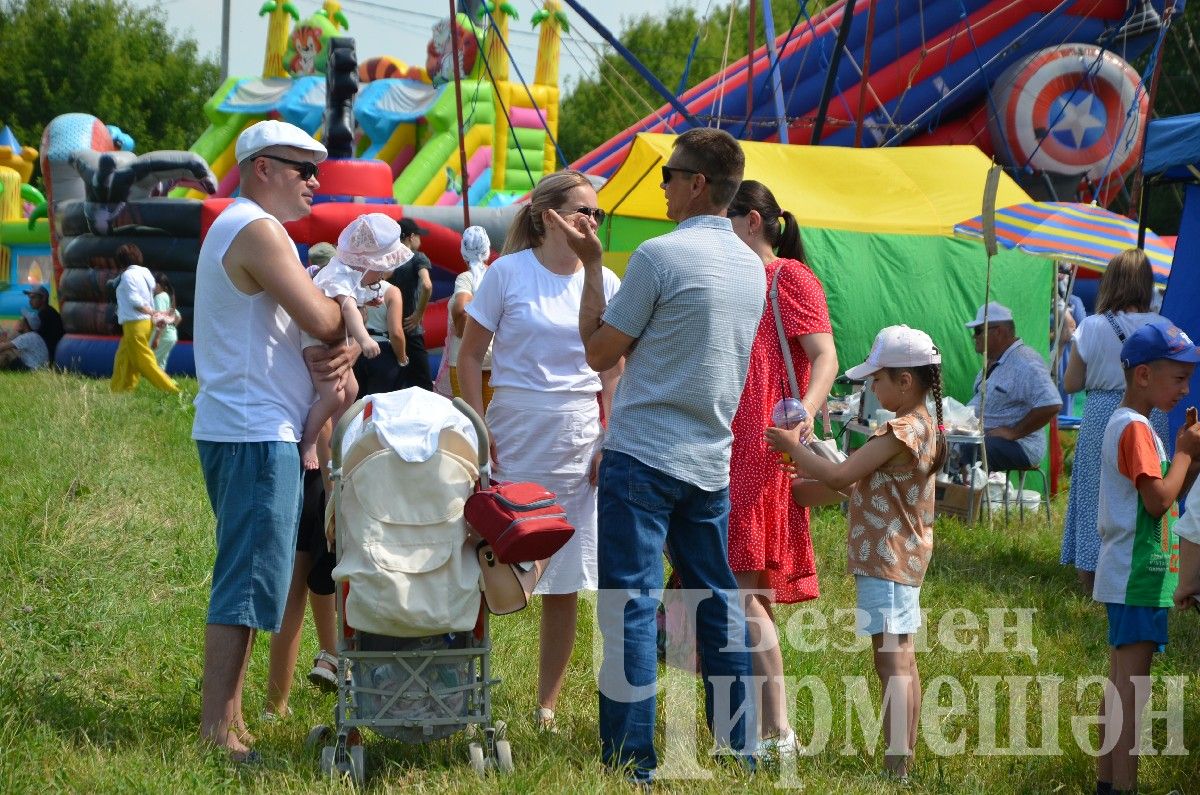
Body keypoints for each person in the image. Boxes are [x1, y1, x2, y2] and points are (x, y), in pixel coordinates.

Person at [569, 127, 761, 782]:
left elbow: (598, 351)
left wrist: (593, 264)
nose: (664, 185)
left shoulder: (657, 256)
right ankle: (741, 747)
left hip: (644, 456)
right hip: (710, 460)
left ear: (698, 183)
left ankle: (631, 758)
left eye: (669, 175)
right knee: (716, 606)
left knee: (631, 606)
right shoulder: (752, 266)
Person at [192, 119, 356, 763]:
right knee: (244, 583)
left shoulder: (247, 227)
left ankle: (231, 719)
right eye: (302, 168)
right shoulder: (255, 229)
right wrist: (346, 311)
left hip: (251, 428)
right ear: (262, 167)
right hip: (255, 431)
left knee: (258, 580)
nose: (316, 181)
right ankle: (216, 731)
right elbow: (318, 318)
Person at [457, 171, 621, 732]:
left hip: (579, 436)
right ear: (546, 214)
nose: (591, 222)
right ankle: (465, 688)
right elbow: (469, 355)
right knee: (484, 560)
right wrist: (478, 425)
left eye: (597, 214)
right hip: (513, 432)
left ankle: (545, 706)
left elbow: (614, 368)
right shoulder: (507, 273)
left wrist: (609, 435)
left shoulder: (607, 280)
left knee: (566, 578)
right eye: (582, 211)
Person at [767, 325, 945, 782]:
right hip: (903, 558)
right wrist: (800, 487)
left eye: (877, 379)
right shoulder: (926, 425)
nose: (871, 387)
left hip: (886, 559)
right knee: (903, 656)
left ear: (905, 381)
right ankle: (901, 762)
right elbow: (857, 485)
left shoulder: (900, 430)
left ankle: (895, 766)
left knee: (891, 661)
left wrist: (793, 448)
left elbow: (843, 475)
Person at [724, 179, 837, 756]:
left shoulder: (787, 277)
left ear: (750, 222)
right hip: (723, 449)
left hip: (760, 449)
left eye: (726, 223)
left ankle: (778, 729)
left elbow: (825, 357)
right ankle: (749, 727)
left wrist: (800, 420)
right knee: (735, 593)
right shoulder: (734, 280)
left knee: (745, 593)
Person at [1090, 318, 1200, 794]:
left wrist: (1187, 461)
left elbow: (1168, 497)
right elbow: (1158, 501)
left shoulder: (1136, 427)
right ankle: (1125, 788)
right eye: (1178, 377)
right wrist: (1183, 454)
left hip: (1131, 574)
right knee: (1132, 693)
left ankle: (1106, 783)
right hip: (1137, 576)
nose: (1185, 388)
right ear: (1143, 376)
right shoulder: (1135, 430)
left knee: (1119, 687)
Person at [1061, 250, 1162, 592]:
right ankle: (1152, 565)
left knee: (1095, 493)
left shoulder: (1092, 325)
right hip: (1151, 413)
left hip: (1104, 412)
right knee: (1147, 489)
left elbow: (1071, 383)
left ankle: (1090, 576)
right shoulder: (1163, 326)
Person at [298, 213, 411, 471]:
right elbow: (348, 307)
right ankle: (310, 441)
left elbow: (354, 299)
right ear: (366, 262)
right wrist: (364, 339)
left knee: (351, 389)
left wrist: (367, 299)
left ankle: (339, 436)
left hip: (331, 341)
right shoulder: (338, 273)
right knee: (332, 396)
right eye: (380, 271)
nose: (382, 276)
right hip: (316, 342)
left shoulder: (351, 273)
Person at [965, 301, 1061, 471]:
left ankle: (965, 496)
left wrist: (1014, 432)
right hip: (988, 438)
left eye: (978, 331)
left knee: (969, 450)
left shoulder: (1026, 361)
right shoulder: (994, 361)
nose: (974, 336)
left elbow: (1051, 403)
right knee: (946, 442)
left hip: (1021, 445)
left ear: (999, 331)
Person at [110, 243, 180, 394]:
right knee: (123, 358)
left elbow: (134, 300)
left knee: (143, 361)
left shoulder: (128, 275)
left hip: (134, 323)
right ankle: (119, 390)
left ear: (121, 261)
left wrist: (151, 311)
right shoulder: (146, 273)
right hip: (144, 324)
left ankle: (171, 388)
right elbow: (151, 290)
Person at [447, 225, 493, 405]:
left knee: (468, 422)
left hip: (463, 360)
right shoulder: (496, 274)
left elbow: (461, 308)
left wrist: (461, 330)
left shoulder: (466, 278)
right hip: (493, 359)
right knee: (492, 423)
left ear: (463, 252)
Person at [387, 217, 433, 390]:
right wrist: (418, 314)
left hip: (389, 330)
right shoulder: (417, 258)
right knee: (423, 385)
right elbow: (427, 285)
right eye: (419, 235)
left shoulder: (389, 259)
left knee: (396, 386)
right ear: (411, 237)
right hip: (411, 329)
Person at [150, 272, 183, 370]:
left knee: (151, 361)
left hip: (163, 336)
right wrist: (171, 328)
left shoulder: (159, 298)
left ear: (158, 285)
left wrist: (157, 338)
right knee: (160, 364)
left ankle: (158, 383)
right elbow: (178, 317)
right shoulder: (167, 297)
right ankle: (162, 384)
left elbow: (160, 319)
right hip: (170, 336)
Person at [24, 285, 63, 364]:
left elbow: (38, 338)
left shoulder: (45, 313)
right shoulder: (47, 311)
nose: (30, 301)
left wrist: (26, 328)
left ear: (44, 298)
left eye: (33, 297)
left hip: (50, 354)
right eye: (30, 298)